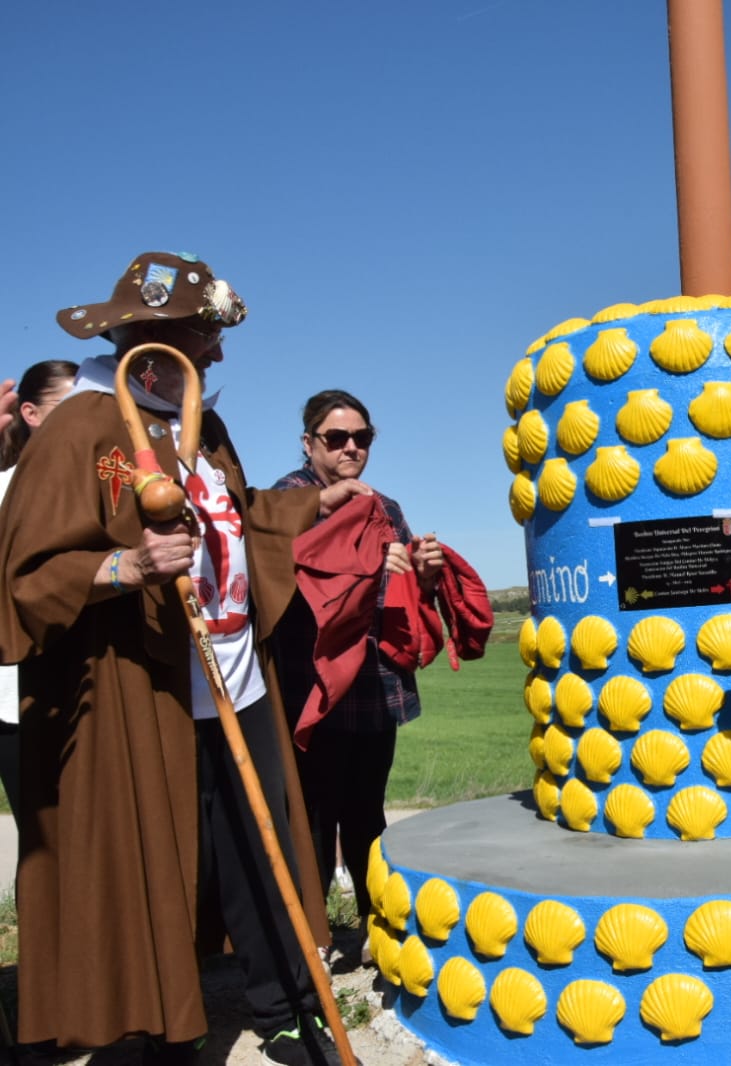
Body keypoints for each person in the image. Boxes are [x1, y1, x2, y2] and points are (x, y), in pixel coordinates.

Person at [0, 252, 369, 1065]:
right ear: (153, 333)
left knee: (256, 842)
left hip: (234, 678)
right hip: (141, 688)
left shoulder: (202, 421)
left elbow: (236, 513)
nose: (219, 355)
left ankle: (287, 1003)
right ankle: (153, 1029)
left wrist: (318, 500)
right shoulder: (84, 426)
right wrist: (124, 567)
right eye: (206, 335)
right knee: (149, 860)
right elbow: (25, 570)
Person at [273, 389, 443, 929]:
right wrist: (374, 569)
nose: (351, 447)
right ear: (308, 443)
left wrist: (425, 571)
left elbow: (405, 592)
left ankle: (378, 926)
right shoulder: (288, 501)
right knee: (316, 814)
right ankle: (313, 939)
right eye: (336, 437)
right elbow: (298, 585)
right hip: (314, 681)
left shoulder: (385, 506)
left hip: (373, 680)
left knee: (368, 809)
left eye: (362, 438)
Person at [0, 360, 78, 817]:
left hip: (89, 692)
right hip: (20, 698)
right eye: (71, 406)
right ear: (30, 413)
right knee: (44, 842)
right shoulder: (6, 488)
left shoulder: (111, 487)